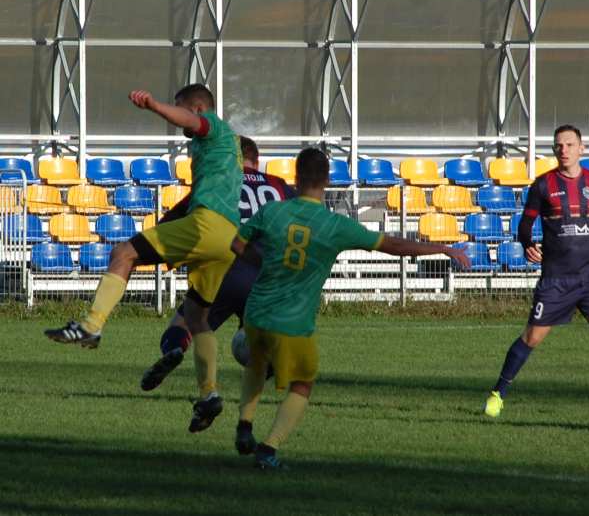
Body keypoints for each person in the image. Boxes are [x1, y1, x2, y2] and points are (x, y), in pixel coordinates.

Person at [230, 147, 470, 470]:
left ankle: (245, 426)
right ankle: (268, 449)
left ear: (296, 177)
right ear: (327, 180)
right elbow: (393, 246)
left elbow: (236, 244)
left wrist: (262, 263)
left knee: (256, 364)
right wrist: (441, 248)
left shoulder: (272, 212)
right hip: (291, 321)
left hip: (254, 314)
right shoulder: (334, 225)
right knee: (303, 382)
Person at [45, 84, 244, 433]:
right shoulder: (219, 151)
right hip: (226, 237)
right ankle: (209, 393)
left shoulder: (212, 125)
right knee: (197, 318)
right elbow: (193, 198)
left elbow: (192, 120)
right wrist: (165, 224)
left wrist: (154, 105)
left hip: (207, 225)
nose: (178, 121)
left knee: (123, 253)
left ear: (198, 108)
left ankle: (91, 326)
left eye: (182, 111)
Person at [483, 125, 589, 419]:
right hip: (556, 279)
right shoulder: (543, 185)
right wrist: (527, 243)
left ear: (581, 148)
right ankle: (498, 393)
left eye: (570, 144)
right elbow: (525, 223)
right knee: (532, 337)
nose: (564, 150)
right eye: (559, 145)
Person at [139, 136, 294, 392]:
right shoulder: (278, 185)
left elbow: (167, 225)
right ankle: (269, 362)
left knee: (186, 323)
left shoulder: (216, 185)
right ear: (257, 160)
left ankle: (175, 348)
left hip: (223, 272)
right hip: (266, 276)